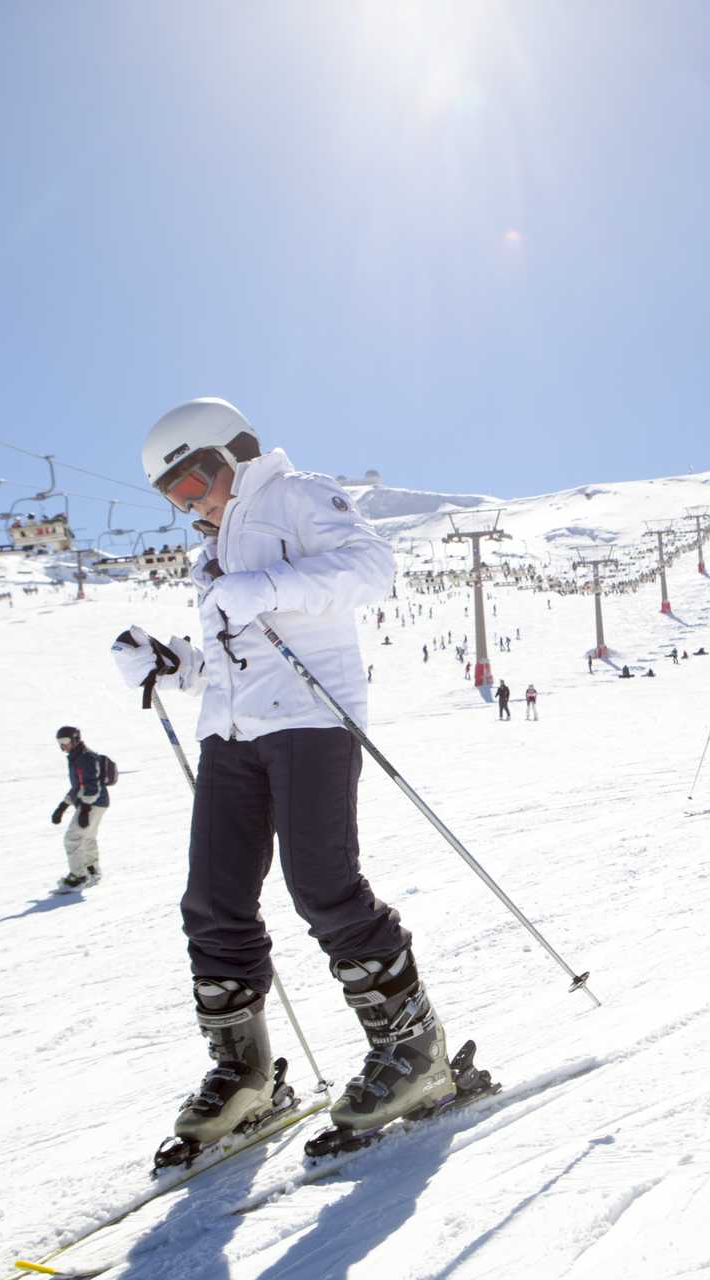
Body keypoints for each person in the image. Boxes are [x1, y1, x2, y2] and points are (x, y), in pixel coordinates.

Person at [111, 395, 453, 1157]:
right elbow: (233, 656)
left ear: (233, 452)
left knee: (323, 887)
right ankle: (244, 1073)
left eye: (197, 479)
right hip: (231, 733)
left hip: (310, 718)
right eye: (175, 493)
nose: (192, 500)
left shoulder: (298, 496)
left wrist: (265, 587)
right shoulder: (212, 551)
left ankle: (413, 1049)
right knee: (213, 899)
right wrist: (173, 664)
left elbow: (371, 568)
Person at [51, 726, 108, 892]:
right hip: (95, 802)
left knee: (72, 839)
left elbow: (93, 785)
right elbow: (77, 787)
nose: (63, 745)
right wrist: (63, 806)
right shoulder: (76, 757)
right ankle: (92, 870)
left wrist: (85, 809)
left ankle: (79, 877)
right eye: (60, 742)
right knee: (88, 837)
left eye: (65, 741)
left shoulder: (86, 757)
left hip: (93, 803)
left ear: (75, 739)